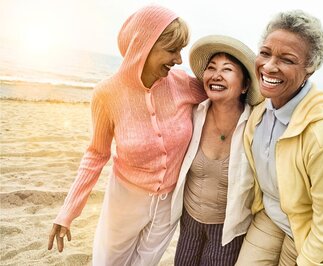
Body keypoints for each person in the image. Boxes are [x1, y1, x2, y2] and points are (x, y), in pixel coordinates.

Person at [47, 4, 206, 266]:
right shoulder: (107, 93)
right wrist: (68, 211)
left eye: (181, 50)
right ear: (143, 46)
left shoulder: (183, 84)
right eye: (171, 50)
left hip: (169, 204)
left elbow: (228, 96)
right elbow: (96, 155)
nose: (179, 60)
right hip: (124, 200)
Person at [235, 10, 323, 266]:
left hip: (316, 226)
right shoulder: (260, 109)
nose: (269, 66)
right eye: (265, 53)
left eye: (287, 59)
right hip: (272, 213)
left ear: (309, 70)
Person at [170, 35, 264, 266]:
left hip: (228, 230)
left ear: (244, 85)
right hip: (189, 220)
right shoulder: (192, 114)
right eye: (211, 68)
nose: (216, 75)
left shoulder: (256, 124)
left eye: (227, 69)